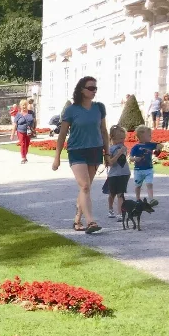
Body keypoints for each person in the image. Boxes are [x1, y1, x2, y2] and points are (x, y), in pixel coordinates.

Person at [51, 75, 108, 234]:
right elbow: (62, 135)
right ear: (82, 90)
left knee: (86, 188)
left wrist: (108, 153)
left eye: (95, 88)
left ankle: (77, 219)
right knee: (84, 186)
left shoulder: (99, 108)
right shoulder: (71, 110)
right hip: (77, 150)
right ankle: (91, 222)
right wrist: (57, 158)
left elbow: (104, 131)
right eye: (91, 88)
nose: (94, 91)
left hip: (95, 149)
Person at [128, 125, 162, 207]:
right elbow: (131, 158)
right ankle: (138, 199)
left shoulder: (150, 145)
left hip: (148, 169)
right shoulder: (136, 147)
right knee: (138, 185)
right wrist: (135, 159)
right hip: (138, 170)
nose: (151, 137)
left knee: (149, 184)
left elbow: (160, 145)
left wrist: (158, 149)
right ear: (142, 136)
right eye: (149, 135)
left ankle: (151, 199)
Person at [103, 125, 131, 218]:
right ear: (113, 138)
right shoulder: (110, 149)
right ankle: (110, 209)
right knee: (112, 194)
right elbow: (110, 163)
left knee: (120, 194)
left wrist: (122, 151)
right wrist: (119, 153)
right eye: (120, 138)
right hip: (113, 175)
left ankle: (120, 213)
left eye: (123, 138)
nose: (122, 140)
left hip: (124, 173)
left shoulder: (123, 147)